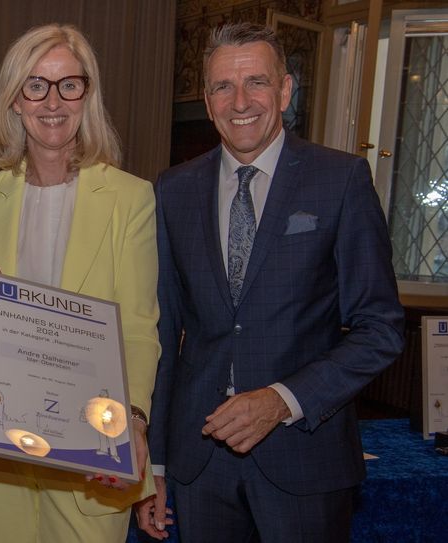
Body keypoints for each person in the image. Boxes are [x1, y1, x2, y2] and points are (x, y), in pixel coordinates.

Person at [137, 22, 404, 542]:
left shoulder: (341, 180)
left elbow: (381, 327)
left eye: (256, 82)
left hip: (305, 461)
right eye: (222, 87)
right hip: (200, 465)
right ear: (208, 101)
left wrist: (282, 399)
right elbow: (162, 337)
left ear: (285, 91)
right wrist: (159, 468)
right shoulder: (173, 189)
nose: (241, 101)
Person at [0, 23, 160, 542]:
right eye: (35, 85)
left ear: (87, 94)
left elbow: (140, 330)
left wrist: (136, 421)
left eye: (68, 84)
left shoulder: (131, 199)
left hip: (89, 455)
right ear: (14, 100)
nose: (52, 101)